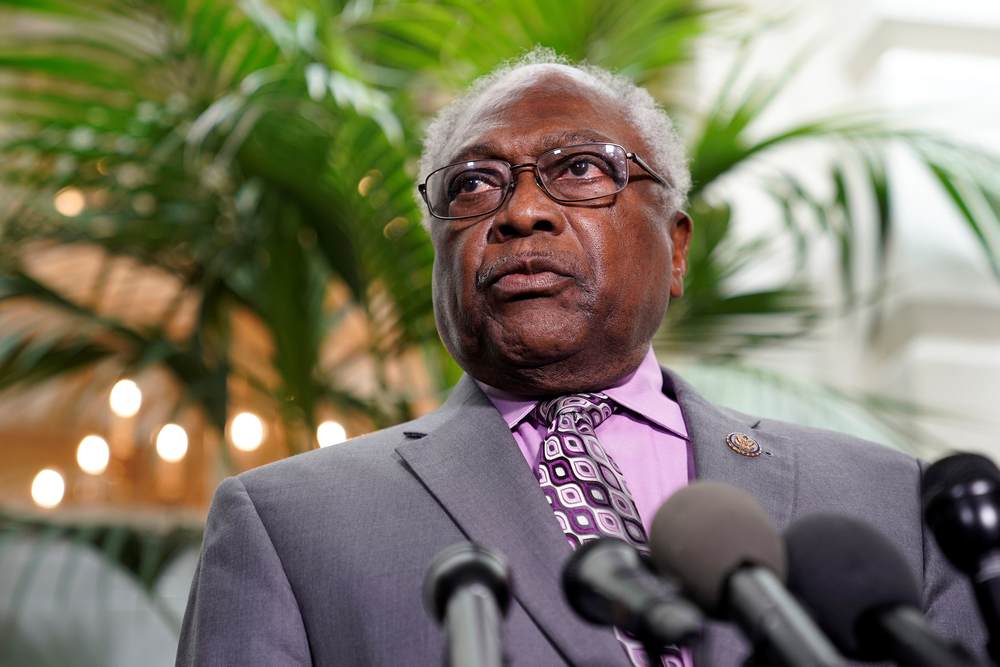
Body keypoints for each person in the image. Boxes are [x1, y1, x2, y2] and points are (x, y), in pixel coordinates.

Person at [176, 51, 984, 666]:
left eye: (581, 169)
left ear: (676, 248)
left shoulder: (891, 504)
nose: (522, 211)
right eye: (473, 185)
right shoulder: (288, 526)